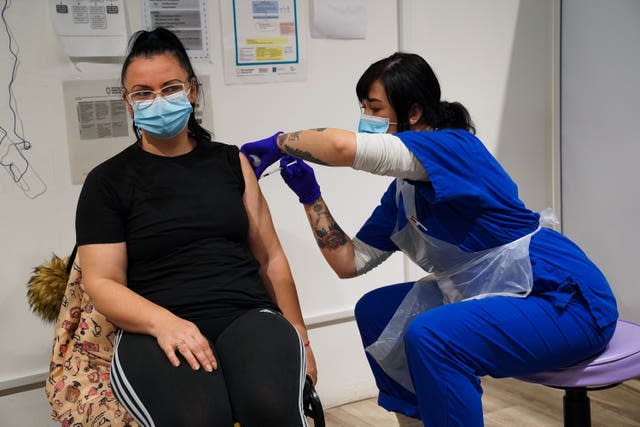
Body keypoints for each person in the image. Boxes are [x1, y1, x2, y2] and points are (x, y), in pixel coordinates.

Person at [240, 52, 618, 426]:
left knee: (432, 335)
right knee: (377, 311)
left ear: (415, 112)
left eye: (375, 109)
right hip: (498, 292)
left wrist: (279, 142)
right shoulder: (402, 195)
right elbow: (348, 261)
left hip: (562, 299)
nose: (366, 120)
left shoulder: (456, 148)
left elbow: (342, 148)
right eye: (363, 108)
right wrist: (310, 197)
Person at [74, 27, 316, 427]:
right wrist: (164, 323)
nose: (158, 101)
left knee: (272, 409)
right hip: (156, 326)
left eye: (169, 88)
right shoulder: (107, 182)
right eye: (143, 93)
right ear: (127, 101)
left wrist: (301, 336)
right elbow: (102, 283)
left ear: (191, 90)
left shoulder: (229, 162)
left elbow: (270, 258)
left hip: (247, 314)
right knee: (199, 419)